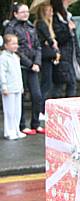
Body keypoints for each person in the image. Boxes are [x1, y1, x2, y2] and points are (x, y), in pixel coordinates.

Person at [4, 2, 43, 135]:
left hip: (34, 66)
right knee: (20, 96)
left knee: (37, 95)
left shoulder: (31, 26)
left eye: (27, 11)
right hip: (20, 66)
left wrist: (37, 62)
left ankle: (35, 123)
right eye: (22, 12)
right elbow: (15, 48)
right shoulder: (11, 27)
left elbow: (38, 46)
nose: (25, 14)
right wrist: (29, 64)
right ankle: (21, 125)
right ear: (15, 14)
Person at [34, 2, 60, 116]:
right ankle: (40, 110)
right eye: (50, 11)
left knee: (47, 83)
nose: (52, 13)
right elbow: (49, 40)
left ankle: (42, 109)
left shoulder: (47, 24)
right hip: (45, 57)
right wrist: (52, 43)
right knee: (46, 83)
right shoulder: (41, 24)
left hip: (47, 56)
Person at [51, 0, 80, 98]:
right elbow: (59, 38)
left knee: (71, 84)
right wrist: (69, 29)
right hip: (62, 56)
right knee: (61, 85)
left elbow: (74, 39)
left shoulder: (68, 17)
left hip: (71, 56)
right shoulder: (55, 18)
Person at [1, 33, 25, 140]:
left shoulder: (16, 57)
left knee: (17, 110)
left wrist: (21, 86)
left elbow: (19, 73)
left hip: (17, 87)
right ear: (6, 45)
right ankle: (9, 130)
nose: (16, 46)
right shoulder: (3, 58)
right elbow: (2, 73)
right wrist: (4, 86)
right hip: (8, 89)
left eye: (16, 43)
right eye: (13, 43)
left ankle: (16, 129)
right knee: (9, 111)